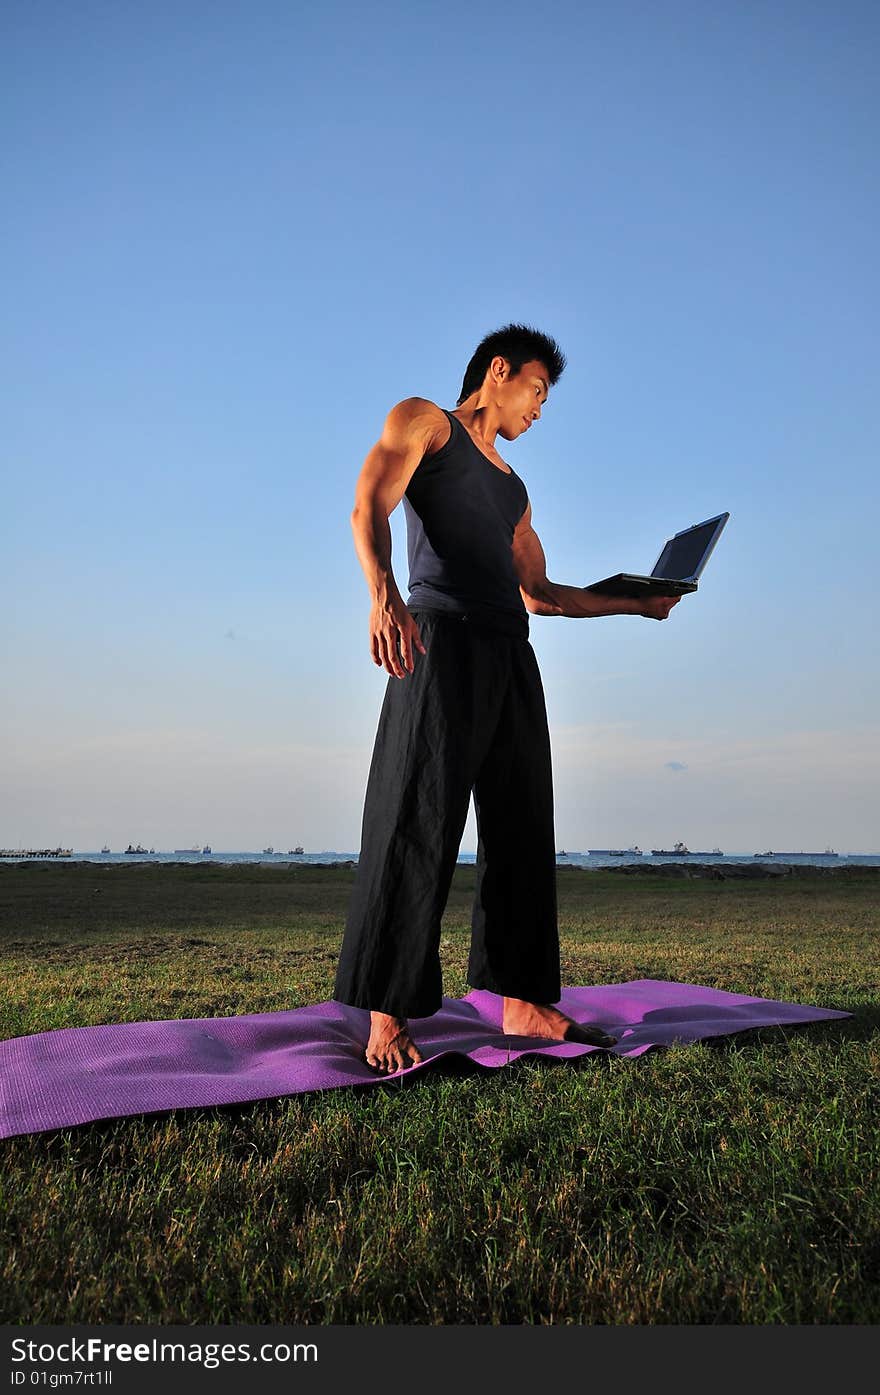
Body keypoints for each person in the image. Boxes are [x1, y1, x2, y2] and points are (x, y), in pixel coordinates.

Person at [333, 324, 681, 1073]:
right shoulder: (425, 422)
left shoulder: (515, 490)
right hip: (438, 641)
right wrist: (382, 593)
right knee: (415, 817)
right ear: (499, 371)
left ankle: (523, 1000)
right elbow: (368, 504)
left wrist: (637, 603)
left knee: (524, 820)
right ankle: (387, 1013)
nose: (540, 410)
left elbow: (544, 592)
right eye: (537, 391)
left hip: (509, 652)